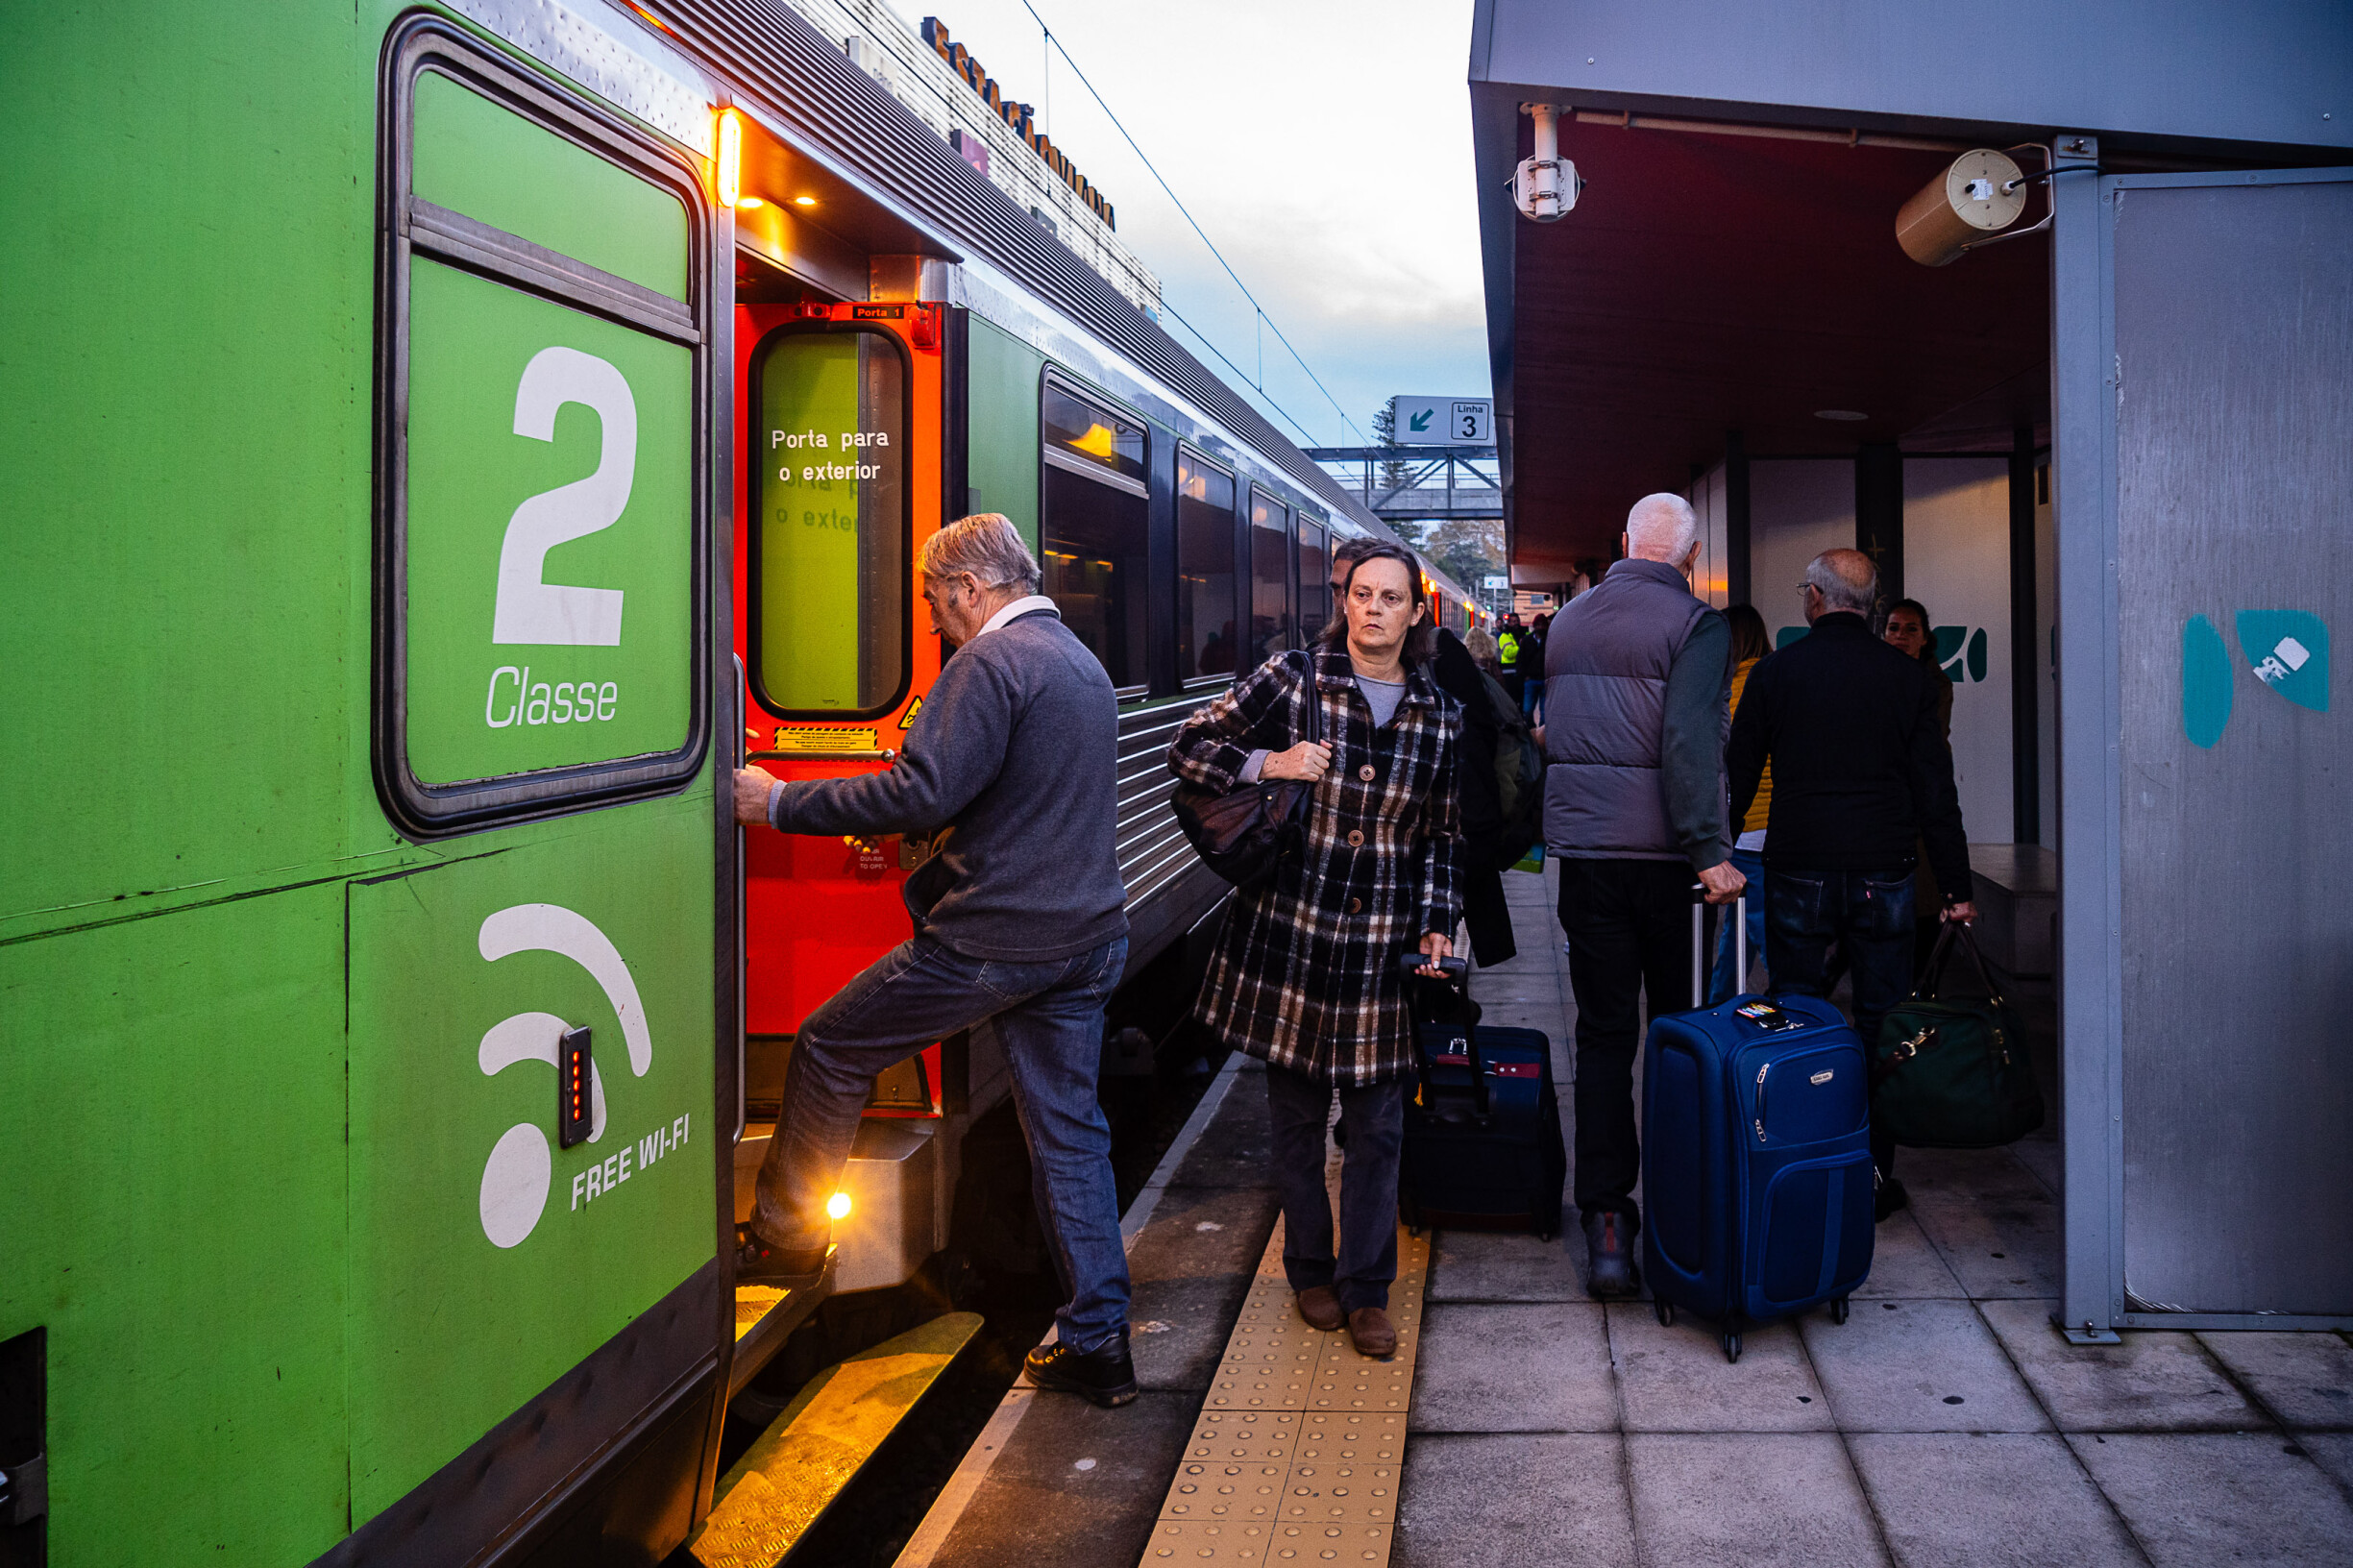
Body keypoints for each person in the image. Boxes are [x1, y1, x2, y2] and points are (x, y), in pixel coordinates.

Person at [731, 514, 1138, 1406]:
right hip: (1085, 939)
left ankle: (787, 1234)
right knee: (1070, 1139)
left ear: (967, 589)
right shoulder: (1078, 661)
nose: (931, 620)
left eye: (931, 601)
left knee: (832, 1046)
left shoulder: (988, 664)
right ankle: (1100, 1340)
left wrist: (779, 803)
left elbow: (924, 788)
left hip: (998, 940)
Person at [1168, 542, 1463, 1359]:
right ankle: (1308, 1269)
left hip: (1380, 950)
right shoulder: (1292, 678)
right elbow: (1190, 747)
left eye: (1390, 597)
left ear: (1414, 611)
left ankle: (1367, 1288)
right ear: (1346, 602)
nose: (1372, 609)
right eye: (1360, 594)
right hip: (1290, 941)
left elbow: (1441, 834)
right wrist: (1273, 760)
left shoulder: (1439, 714)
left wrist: (1439, 920)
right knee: (1295, 1122)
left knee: (1377, 1131)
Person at [1726, 550, 1973, 1221]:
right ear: (1866, 606)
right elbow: (1934, 791)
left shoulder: (1777, 673)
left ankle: (1798, 1156)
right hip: (1883, 870)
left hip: (1799, 863)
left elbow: (1740, 772)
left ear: (1813, 599)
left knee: (1797, 1011)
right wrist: (1953, 885)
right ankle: (1869, 1170)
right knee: (1881, 1019)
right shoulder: (1907, 679)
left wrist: (1716, 854)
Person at [1541, 494, 1743, 1299]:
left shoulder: (1568, 621)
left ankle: (1605, 1222)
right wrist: (1709, 850)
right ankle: (1675, 1211)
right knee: (1678, 1035)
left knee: (1600, 1037)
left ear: (1625, 543)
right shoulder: (1696, 623)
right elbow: (1688, 742)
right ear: (1689, 558)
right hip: (1667, 863)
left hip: (1586, 856)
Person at [1430, 624, 1517, 966]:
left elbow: (1478, 738)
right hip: (1469, 815)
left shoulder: (1443, 651)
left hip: (1459, 818)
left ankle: (1444, 1003)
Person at [1881, 597, 1956, 974]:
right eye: (1894, 628)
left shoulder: (1936, 684)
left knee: (1923, 903)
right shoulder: (1873, 676)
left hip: (1923, 801)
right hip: (1882, 808)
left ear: (1925, 638)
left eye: (1911, 629)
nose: (1901, 636)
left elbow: (1921, 743)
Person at [1707, 604, 1775, 1003]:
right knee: (1738, 931)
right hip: (1775, 825)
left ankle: (1796, 1024)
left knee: (1763, 931)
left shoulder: (1731, 688)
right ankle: (1719, 1006)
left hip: (1747, 827)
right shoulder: (1777, 678)